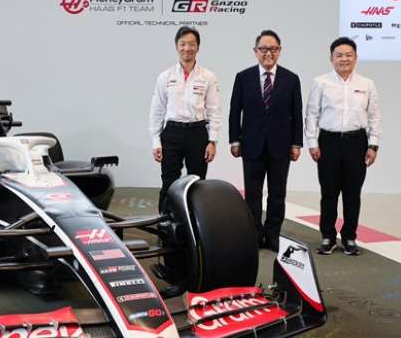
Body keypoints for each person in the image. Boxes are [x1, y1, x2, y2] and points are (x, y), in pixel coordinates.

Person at [305, 36, 382, 256]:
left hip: (357, 142)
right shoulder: (321, 82)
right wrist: (312, 142)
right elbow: (311, 114)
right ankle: (328, 237)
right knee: (328, 193)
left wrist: (373, 145)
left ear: (356, 58)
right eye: (339, 55)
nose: (344, 59)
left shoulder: (367, 84)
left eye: (348, 55)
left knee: (352, 194)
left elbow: (375, 116)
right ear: (331, 58)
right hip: (328, 142)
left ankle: (349, 237)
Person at [229, 30, 303, 252]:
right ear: (255, 51)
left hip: (281, 146)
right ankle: (254, 234)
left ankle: (272, 236)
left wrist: (296, 144)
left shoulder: (291, 79)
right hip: (251, 145)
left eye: (273, 49)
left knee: (277, 194)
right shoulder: (243, 77)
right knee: (252, 194)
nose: (268, 53)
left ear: (279, 51)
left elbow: (296, 113)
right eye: (263, 49)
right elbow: (235, 112)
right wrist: (234, 140)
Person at [149, 26, 221, 212]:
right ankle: (165, 225)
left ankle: (196, 228)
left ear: (198, 47)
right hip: (171, 133)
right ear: (176, 46)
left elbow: (214, 110)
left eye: (191, 44)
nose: (186, 48)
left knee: (197, 184)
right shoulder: (165, 77)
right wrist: (156, 141)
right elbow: (157, 110)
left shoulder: (208, 76)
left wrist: (212, 141)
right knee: (169, 182)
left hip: (197, 133)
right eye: (182, 44)